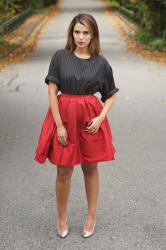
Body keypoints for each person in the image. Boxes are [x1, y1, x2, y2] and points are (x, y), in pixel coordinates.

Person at [34, 13, 119, 238]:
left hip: (90, 120)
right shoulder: (60, 57)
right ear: (72, 33)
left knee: (90, 167)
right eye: (77, 32)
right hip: (64, 118)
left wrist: (100, 117)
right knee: (63, 170)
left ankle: (91, 217)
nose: (80, 37)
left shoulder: (101, 63)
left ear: (93, 35)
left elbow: (110, 95)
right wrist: (59, 125)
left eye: (86, 32)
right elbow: (52, 90)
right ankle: (61, 217)